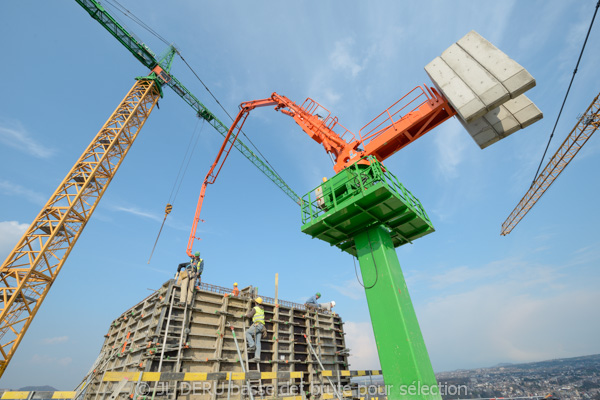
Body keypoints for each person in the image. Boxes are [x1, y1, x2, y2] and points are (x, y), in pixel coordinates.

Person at [245, 297, 265, 362]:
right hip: (261, 327)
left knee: (247, 333)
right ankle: (257, 357)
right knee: (258, 342)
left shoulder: (255, 308)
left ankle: (252, 345)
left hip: (257, 325)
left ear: (256, 303)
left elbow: (250, 315)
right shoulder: (262, 309)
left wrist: (245, 315)